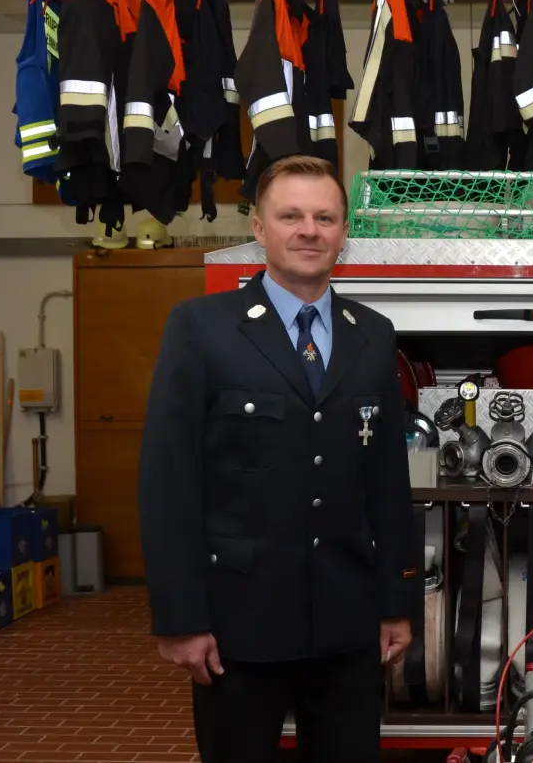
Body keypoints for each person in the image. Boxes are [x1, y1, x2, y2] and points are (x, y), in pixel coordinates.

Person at [137, 155, 415, 763]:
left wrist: (397, 603)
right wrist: (180, 617)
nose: (308, 230)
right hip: (239, 626)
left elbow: (388, 483)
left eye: (324, 217)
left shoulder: (373, 333)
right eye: (290, 216)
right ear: (260, 229)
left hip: (347, 624)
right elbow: (168, 483)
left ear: (344, 232)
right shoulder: (201, 328)